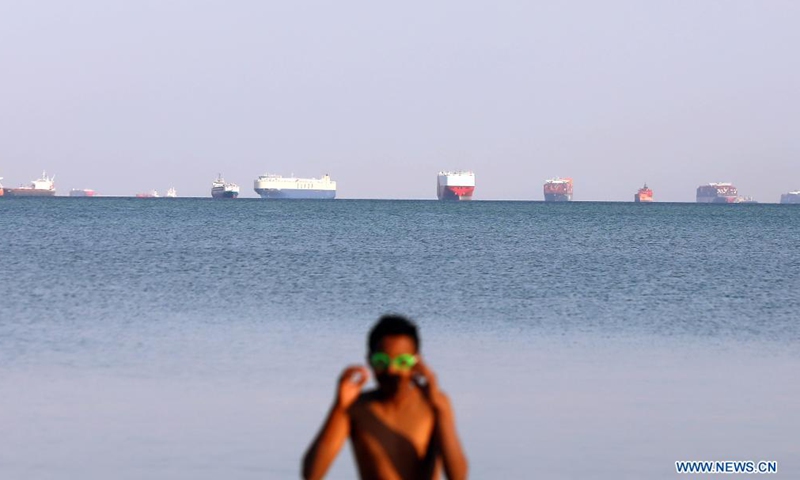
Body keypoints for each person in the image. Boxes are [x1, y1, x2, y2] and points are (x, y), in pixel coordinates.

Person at [302, 314, 468, 479]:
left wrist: (440, 409)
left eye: (402, 362)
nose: (391, 371)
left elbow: (458, 476)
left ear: (417, 362)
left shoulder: (434, 404)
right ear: (369, 361)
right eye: (382, 362)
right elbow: (312, 474)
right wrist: (339, 406)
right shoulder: (356, 407)